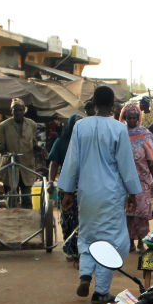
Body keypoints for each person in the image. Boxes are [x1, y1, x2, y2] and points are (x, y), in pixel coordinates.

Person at [57, 85, 141, 304]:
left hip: (86, 193)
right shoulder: (118, 129)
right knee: (111, 240)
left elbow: (71, 161)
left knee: (87, 233)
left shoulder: (80, 126)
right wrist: (133, 192)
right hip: (111, 194)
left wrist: (67, 192)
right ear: (112, 106)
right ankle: (101, 291)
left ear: (93, 103)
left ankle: (85, 273)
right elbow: (126, 164)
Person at [48, 110, 85, 266]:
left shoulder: (87, 142)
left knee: (80, 220)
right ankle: (70, 249)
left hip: (84, 186)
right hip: (67, 186)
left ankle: (78, 253)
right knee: (67, 220)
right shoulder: (62, 142)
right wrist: (50, 181)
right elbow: (54, 163)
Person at [121, 102, 153, 251]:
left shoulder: (145, 135)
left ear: (138, 118)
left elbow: (151, 161)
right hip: (125, 182)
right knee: (128, 212)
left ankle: (142, 241)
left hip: (142, 181)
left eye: (134, 118)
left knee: (142, 212)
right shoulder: (120, 134)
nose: (131, 121)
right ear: (124, 118)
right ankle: (130, 241)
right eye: (128, 118)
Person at [0, 98, 40, 206]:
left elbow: (33, 143)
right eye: (15, 110)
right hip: (10, 166)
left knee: (27, 197)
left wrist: (39, 150)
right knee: (11, 198)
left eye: (20, 110)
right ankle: (12, 219)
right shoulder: (3, 126)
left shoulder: (32, 125)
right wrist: (9, 154)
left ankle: (28, 220)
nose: (18, 113)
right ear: (11, 111)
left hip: (26, 166)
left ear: (24, 110)